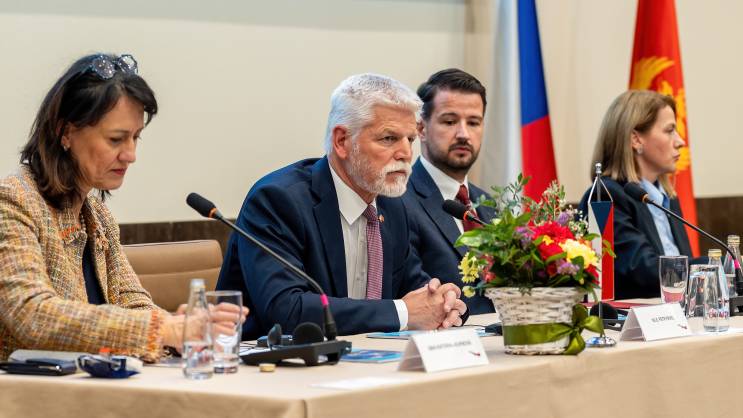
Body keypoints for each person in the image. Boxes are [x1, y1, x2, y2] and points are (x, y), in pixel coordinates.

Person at [0, 53, 245, 362]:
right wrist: (166, 329)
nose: (131, 155)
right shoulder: (13, 202)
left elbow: (133, 303)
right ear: (66, 132)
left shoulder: (97, 216)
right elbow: (32, 315)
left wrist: (185, 326)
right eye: (116, 139)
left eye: (135, 138)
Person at [217, 73, 467, 339]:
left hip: (364, 358)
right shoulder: (278, 201)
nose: (405, 153)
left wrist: (443, 302)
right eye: (389, 139)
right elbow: (287, 310)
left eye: (410, 140)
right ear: (341, 141)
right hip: (271, 361)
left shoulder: (392, 207)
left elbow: (414, 288)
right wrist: (403, 312)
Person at [579, 90, 691, 299]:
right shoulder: (606, 195)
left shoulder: (667, 197)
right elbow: (644, 271)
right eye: (669, 131)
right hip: (630, 317)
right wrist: (712, 266)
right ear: (636, 139)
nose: (680, 141)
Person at [402, 69, 496, 314]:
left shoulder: (488, 205)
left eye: (473, 122)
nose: (463, 134)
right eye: (450, 121)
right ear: (421, 129)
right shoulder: (399, 200)